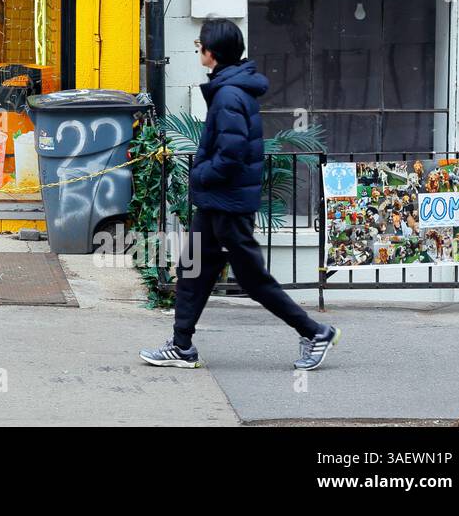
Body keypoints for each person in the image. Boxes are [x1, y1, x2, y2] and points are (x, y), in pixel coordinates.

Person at [140, 19, 340, 372]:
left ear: (211, 52)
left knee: (252, 279)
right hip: (218, 203)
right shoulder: (228, 88)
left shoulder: (230, 94)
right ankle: (182, 346)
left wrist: (200, 174)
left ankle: (315, 332)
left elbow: (230, 154)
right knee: (193, 270)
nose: (198, 48)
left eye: (200, 44)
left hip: (227, 204)